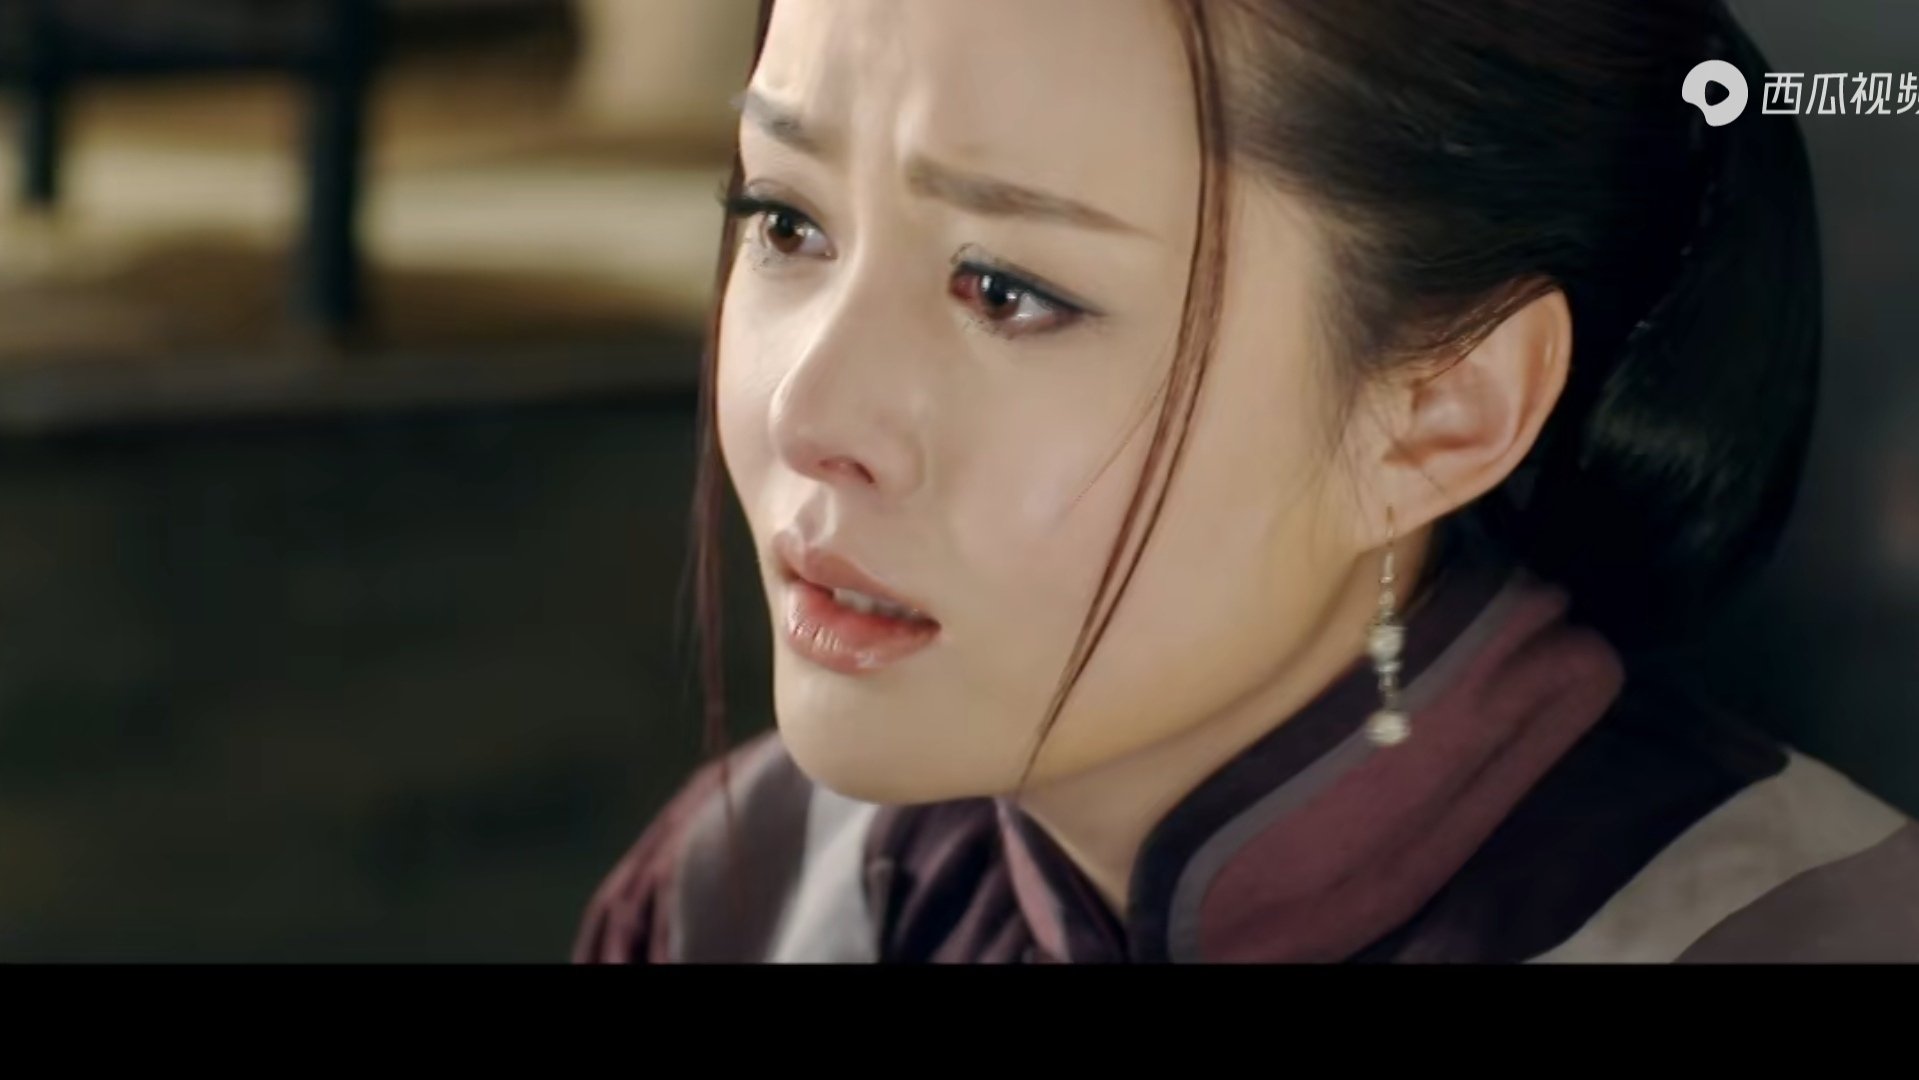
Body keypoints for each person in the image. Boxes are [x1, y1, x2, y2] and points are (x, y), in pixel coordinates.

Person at [572, 0, 1919, 963]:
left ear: (1439, 417)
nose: (807, 412)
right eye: (787, 219)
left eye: (1007, 290)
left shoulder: (1800, 932)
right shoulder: (741, 897)